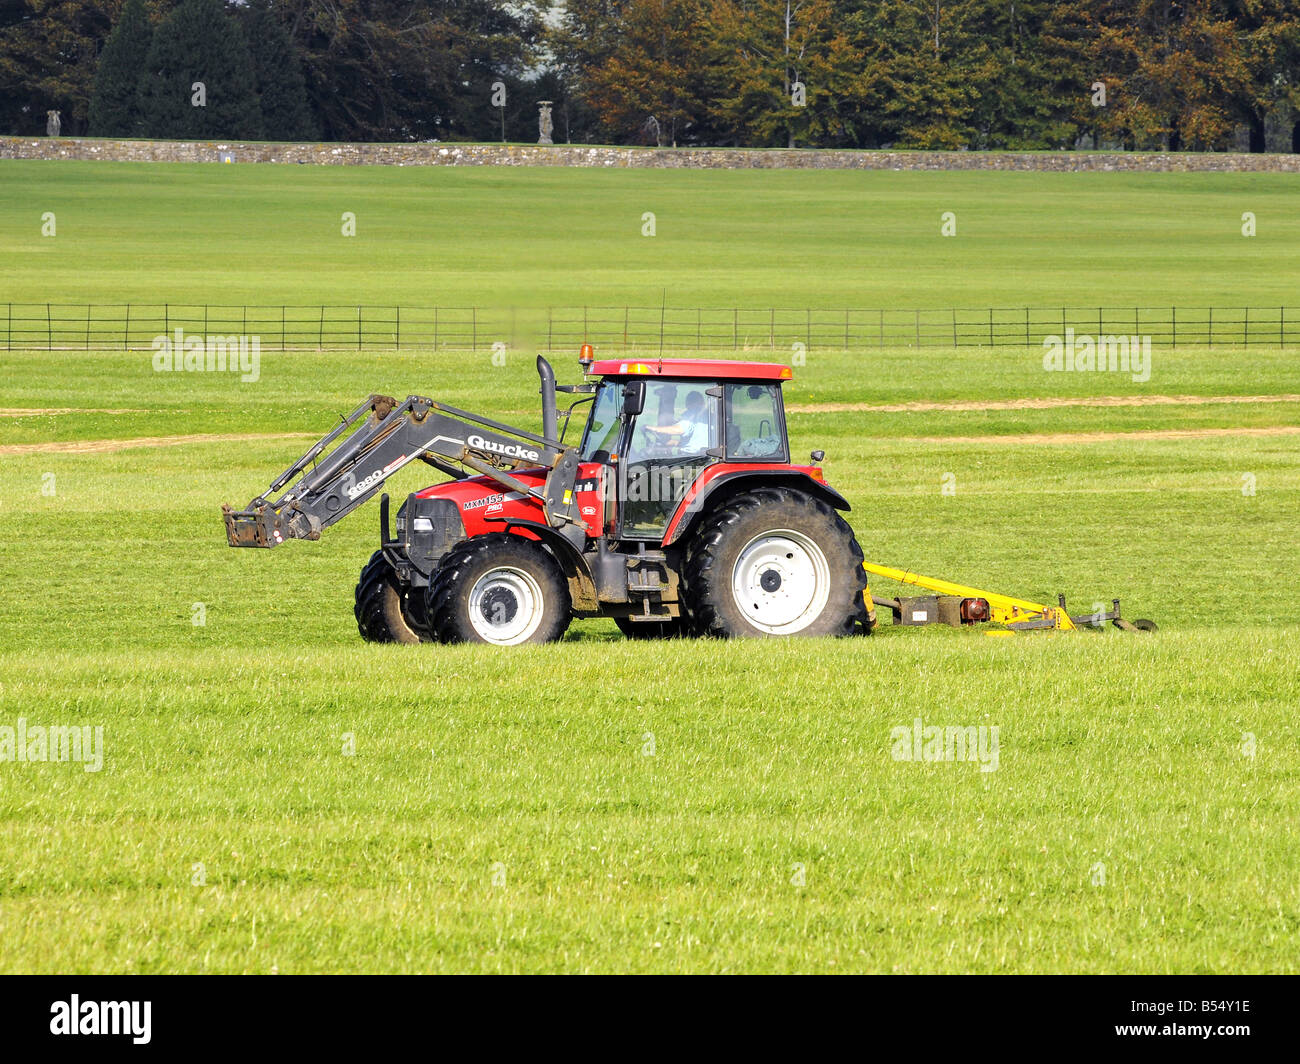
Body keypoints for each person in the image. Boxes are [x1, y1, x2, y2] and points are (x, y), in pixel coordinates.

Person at [645, 391, 710, 455]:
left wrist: (653, 428)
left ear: (688, 403)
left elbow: (679, 429)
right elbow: (696, 441)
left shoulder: (693, 413)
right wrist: (672, 443)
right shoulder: (710, 416)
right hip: (705, 455)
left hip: (691, 456)